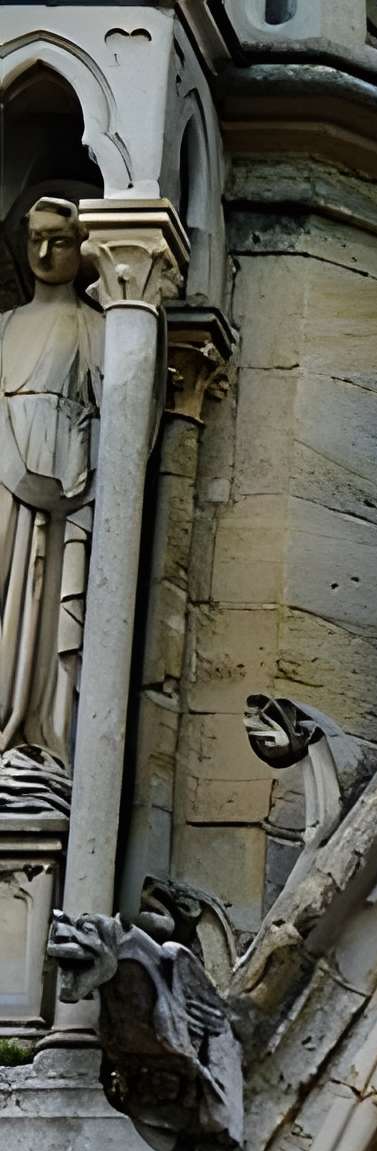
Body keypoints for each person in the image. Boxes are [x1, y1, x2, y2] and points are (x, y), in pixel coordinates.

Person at [0, 198, 98, 779]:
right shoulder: (5, 327)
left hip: (65, 483)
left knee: (46, 598)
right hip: (6, 480)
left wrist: (73, 481)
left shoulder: (97, 328)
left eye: (59, 241)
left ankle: (39, 732)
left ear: (82, 248)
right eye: (35, 239)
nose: (43, 253)